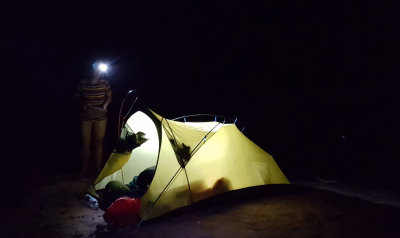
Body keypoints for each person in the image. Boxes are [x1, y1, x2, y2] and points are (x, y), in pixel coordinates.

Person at [75, 63, 112, 179]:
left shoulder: (104, 82)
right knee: (85, 143)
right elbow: (77, 96)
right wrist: (84, 104)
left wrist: (105, 106)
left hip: (100, 116)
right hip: (86, 116)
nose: (97, 72)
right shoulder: (83, 82)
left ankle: (97, 169)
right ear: (91, 71)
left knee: (99, 142)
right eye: (95, 70)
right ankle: (84, 169)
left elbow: (109, 96)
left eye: (99, 71)